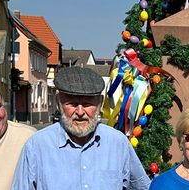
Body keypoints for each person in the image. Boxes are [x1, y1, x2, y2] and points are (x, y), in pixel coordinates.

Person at [11, 66, 150, 189]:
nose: (80, 112)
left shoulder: (118, 144)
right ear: (58, 102)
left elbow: (142, 187)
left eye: (87, 104)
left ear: (100, 103)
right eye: (71, 104)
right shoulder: (36, 147)